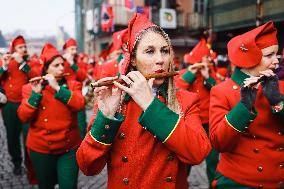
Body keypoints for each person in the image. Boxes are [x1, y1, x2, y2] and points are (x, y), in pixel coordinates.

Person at [76, 13, 211, 189]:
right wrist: (106, 118)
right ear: (133, 59)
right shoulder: (116, 100)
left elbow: (198, 153)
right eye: (149, 51)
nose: (160, 60)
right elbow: (88, 166)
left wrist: (150, 103)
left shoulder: (186, 100)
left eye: (164, 51)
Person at [209, 21, 284, 189]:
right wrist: (243, 108)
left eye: (276, 55)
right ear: (251, 57)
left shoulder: (281, 87)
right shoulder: (223, 91)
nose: (276, 62)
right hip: (238, 183)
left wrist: (278, 101)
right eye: (269, 55)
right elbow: (219, 144)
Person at [18, 43, 84, 189]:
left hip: (68, 147)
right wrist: (35, 95)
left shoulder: (72, 85)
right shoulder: (30, 88)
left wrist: (57, 88)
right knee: (45, 185)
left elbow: (79, 104)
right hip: (41, 148)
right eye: (56, 65)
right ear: (46, 69)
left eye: (62, 64)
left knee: (69, 185)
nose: (62, 68)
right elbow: (23, 117)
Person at [175, 38, 218, 186]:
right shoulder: (185, 72)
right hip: (190, 123)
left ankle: (213, 184)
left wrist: (208, 77)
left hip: (209, 123)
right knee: (185, 160)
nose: (209, 59)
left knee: (213, 160)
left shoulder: (211, 72)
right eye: (206, 57)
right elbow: (177, 89)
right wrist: (191, 74)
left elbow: (218, 91)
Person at [0, 35, 38, 175]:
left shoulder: (29, 62)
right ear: (14, 49)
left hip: (25, 103)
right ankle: (16, 162)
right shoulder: (6, 62)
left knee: (29, 135)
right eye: (20, 47)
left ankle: (31, 165)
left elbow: (35, 77)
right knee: (12, 136)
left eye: (24, 47)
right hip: (9, 105)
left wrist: (22, 63)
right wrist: (4, 66)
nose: (23, 49)